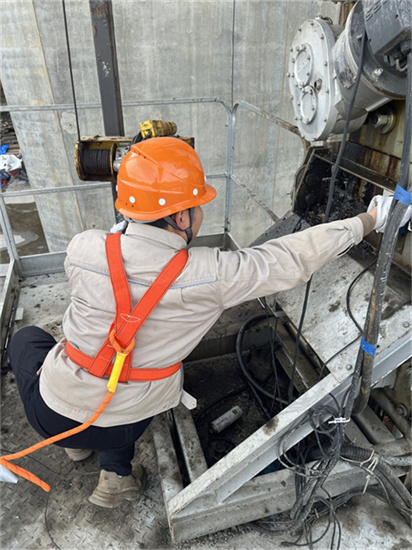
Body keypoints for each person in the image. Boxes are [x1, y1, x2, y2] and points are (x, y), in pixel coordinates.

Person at [7, 136, 410, 508]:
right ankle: (116, 475)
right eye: (197, 207)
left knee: (27, 340)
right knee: (126, 388)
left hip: (51, 414)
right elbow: (290, 257)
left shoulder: (83, 247)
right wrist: (369, 219)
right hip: (126, 424)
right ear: (182, 217)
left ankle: (75, 445)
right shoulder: (212, 274)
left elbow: (108, 282)